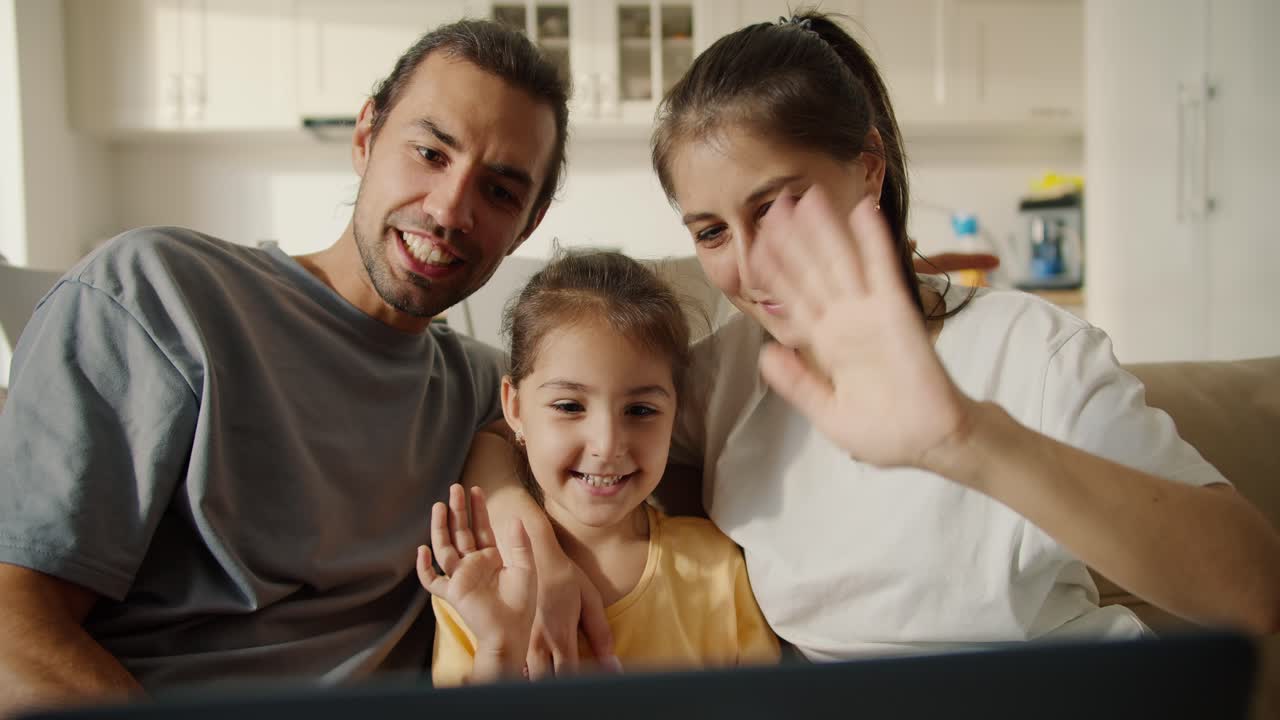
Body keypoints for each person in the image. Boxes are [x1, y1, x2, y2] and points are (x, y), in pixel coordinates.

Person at [476, 10, 1280, 665]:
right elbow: (526, 427)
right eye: (713, 231)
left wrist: (967, 441)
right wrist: (515, 512)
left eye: (777, 206)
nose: (755, 267)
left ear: (869, 167)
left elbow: (1254, 590)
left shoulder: (1030, 350)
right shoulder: (724, 374)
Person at [0, 19, 620, 714]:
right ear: (366, 136)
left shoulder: (483, 388)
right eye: (429, 153)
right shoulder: (158, 294)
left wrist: (525, 521)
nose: (451, 210)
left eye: (500, 193)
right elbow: (10, 626)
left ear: (526, 227)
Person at [418, 251, 780, 685]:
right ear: (514, 407)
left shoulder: (717, 567)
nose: (607, 445)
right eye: (570, 406)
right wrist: (499, 649)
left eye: (641, 410)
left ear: (675, 412)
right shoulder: (478, 584)